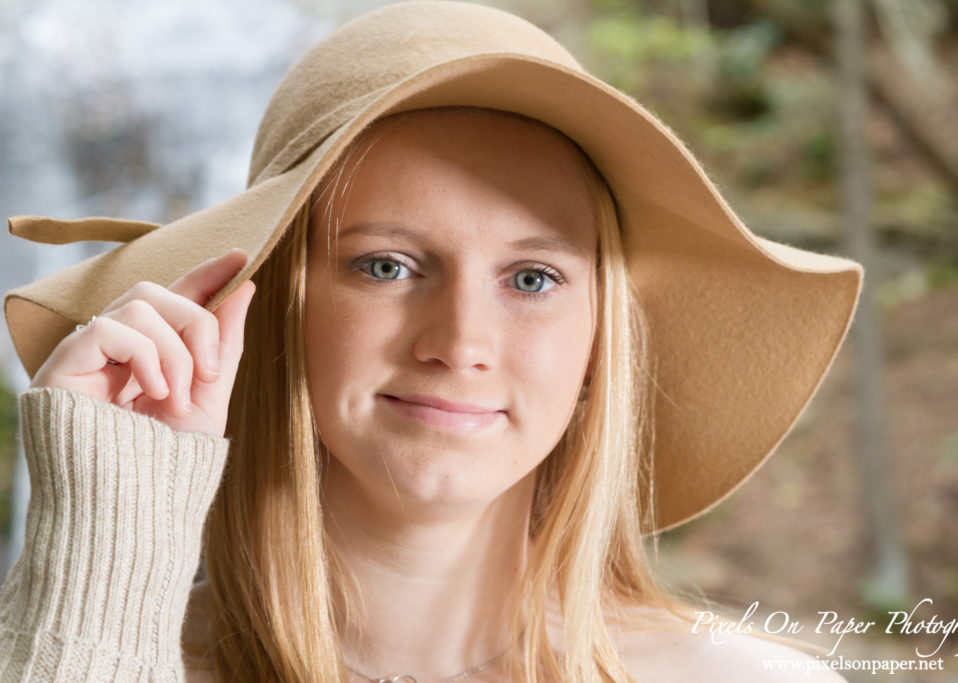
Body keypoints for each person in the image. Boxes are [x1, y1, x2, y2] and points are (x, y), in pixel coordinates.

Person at [0, 2, 862, 681]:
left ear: (600, 350)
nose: (460, 342)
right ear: (264, 314)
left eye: (532, 279)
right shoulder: (89, 654)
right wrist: (104, 551)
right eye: (386, 265)